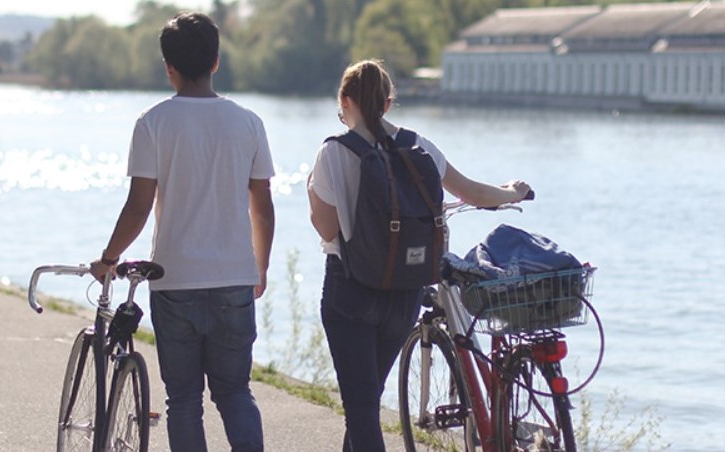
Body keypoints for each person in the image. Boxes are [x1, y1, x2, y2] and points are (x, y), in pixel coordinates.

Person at [306, 59, 530, 451]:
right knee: (366, 403)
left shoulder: (334, 154)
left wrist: (314, 195)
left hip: (351, 292)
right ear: (388, 103)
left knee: (361, 411)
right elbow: (473, 193)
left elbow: (327, 230)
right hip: (405, 292)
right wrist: (512, 192)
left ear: (345, 100)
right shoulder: (418, 146)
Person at [89, 11, 274, 452]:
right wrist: (259, 267)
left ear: (168, 66)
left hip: (174, 282)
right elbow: (263, 206)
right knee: (234, 393)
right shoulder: (248, 122)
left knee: (185, 401)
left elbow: (138, 206)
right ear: (216, 61)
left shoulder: (153, 123)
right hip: (233, 278)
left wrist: (110, 257)